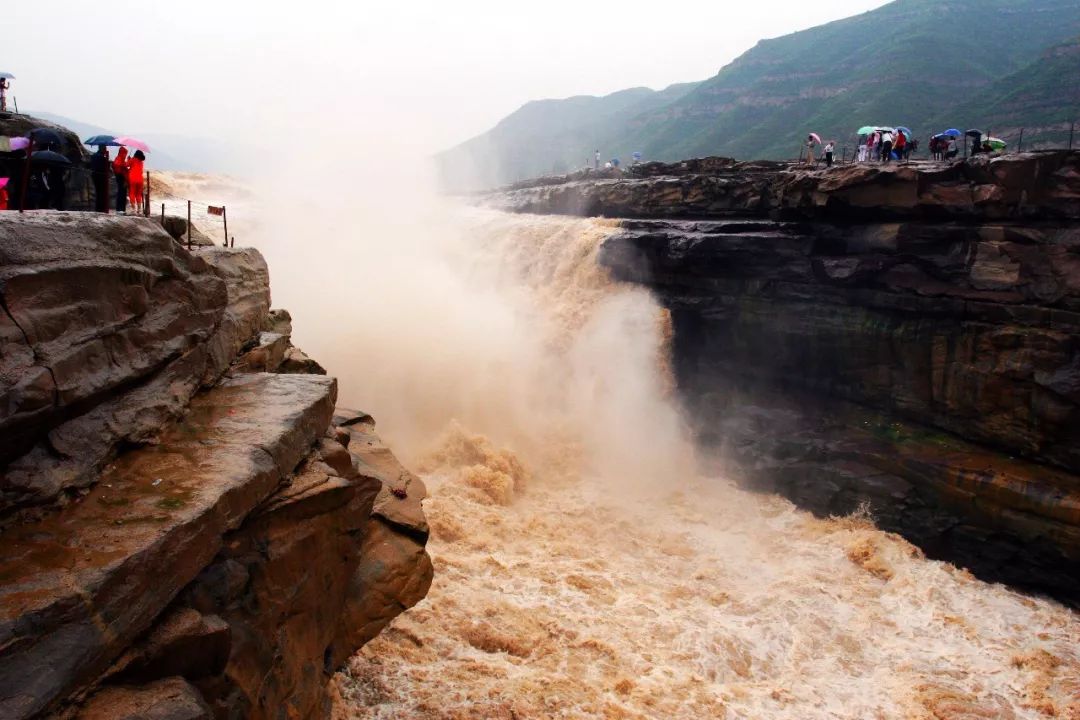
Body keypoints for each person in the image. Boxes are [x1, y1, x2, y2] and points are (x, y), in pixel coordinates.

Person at [90, 146, 110, 212]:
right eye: (105, 149)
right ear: (102, 149)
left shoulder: (93, 156)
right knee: (102, 193)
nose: (105, 150)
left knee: (98, 192)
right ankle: (101, 208)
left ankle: (97, 208)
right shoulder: (102, 158)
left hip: (94, 175)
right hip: (101, 176)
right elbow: (105, 167)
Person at [112, 147, 129, 213]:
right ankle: (120, 209)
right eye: (125, 154)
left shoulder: (119, 159)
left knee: (122, 193)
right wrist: (125, 180)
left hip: (120, 178)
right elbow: (120, 168)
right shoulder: (119, 160)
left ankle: (121, 209)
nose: (125, 155)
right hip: (121, 178)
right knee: (121, 193)